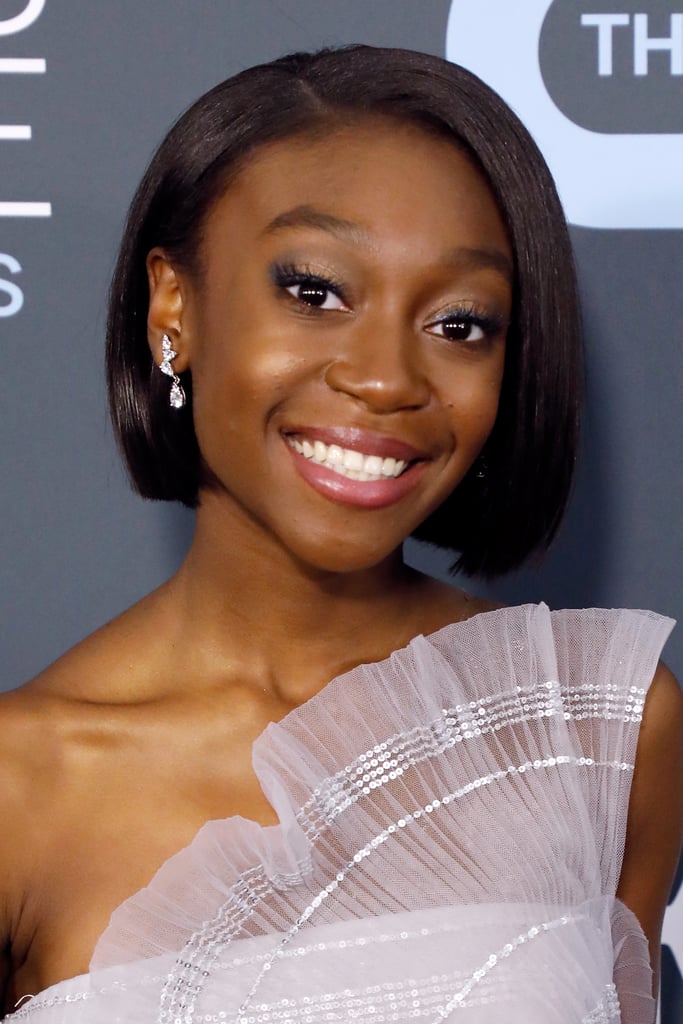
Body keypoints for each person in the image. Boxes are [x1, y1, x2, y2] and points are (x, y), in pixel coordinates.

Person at [0, 44, 681, 1024]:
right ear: (173, 308)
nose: (384, 378)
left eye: (458, 323)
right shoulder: (22, 784)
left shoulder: (597, 735)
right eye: (313, 290)